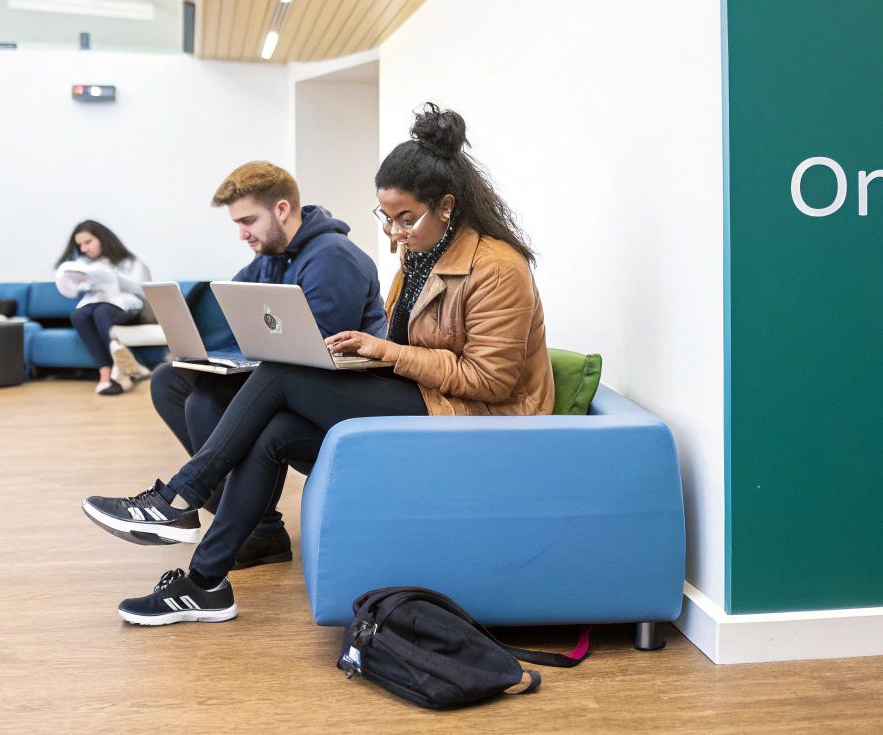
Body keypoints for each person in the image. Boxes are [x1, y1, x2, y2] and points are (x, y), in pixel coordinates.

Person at [83, 105, 553, 625]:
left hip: (478, 427)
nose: (394, 233)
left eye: (406, 218)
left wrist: (386, 351)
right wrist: (364, 351)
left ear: (447, 206)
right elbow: (404, 340)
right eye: (387, 218)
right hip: (430, 402)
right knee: (273, 432)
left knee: (281, 373)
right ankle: (204, 583)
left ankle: (177, 497)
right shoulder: (423, 254)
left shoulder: (498, 267)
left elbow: (491, 381)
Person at [148, 161, 385, 570]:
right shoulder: (270, 257)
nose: (242, 234)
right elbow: (234, 314)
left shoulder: (333, 258)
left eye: (247, 221)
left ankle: (253, 527)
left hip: (337, 391)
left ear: (280, 209)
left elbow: (313, 353)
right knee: (172, 382)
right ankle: (252, 525)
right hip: (289, 378)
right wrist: (199, 349)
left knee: (204, 404)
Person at [56, 220, 152, 396]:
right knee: (78, 315)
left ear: (102, 239)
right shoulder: (83, 264)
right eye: (80, 245)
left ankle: (117, 374)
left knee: (102, 312)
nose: (83, 249)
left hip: (127, 306)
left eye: (88, 242)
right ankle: (106, 371)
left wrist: (112, 277)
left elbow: (143, 291)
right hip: (97, 303)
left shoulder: (130, 262)